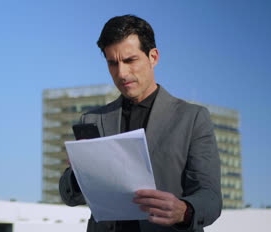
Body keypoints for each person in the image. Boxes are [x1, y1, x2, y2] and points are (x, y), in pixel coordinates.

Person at [59, 15, 222, 232]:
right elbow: (69, 196)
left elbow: (210, 196)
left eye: (130, 60)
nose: (121, 73)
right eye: (112, 63)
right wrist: (79, 175)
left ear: (153, 57)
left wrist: (184, 211)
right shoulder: (92, 120)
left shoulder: (192, 118)